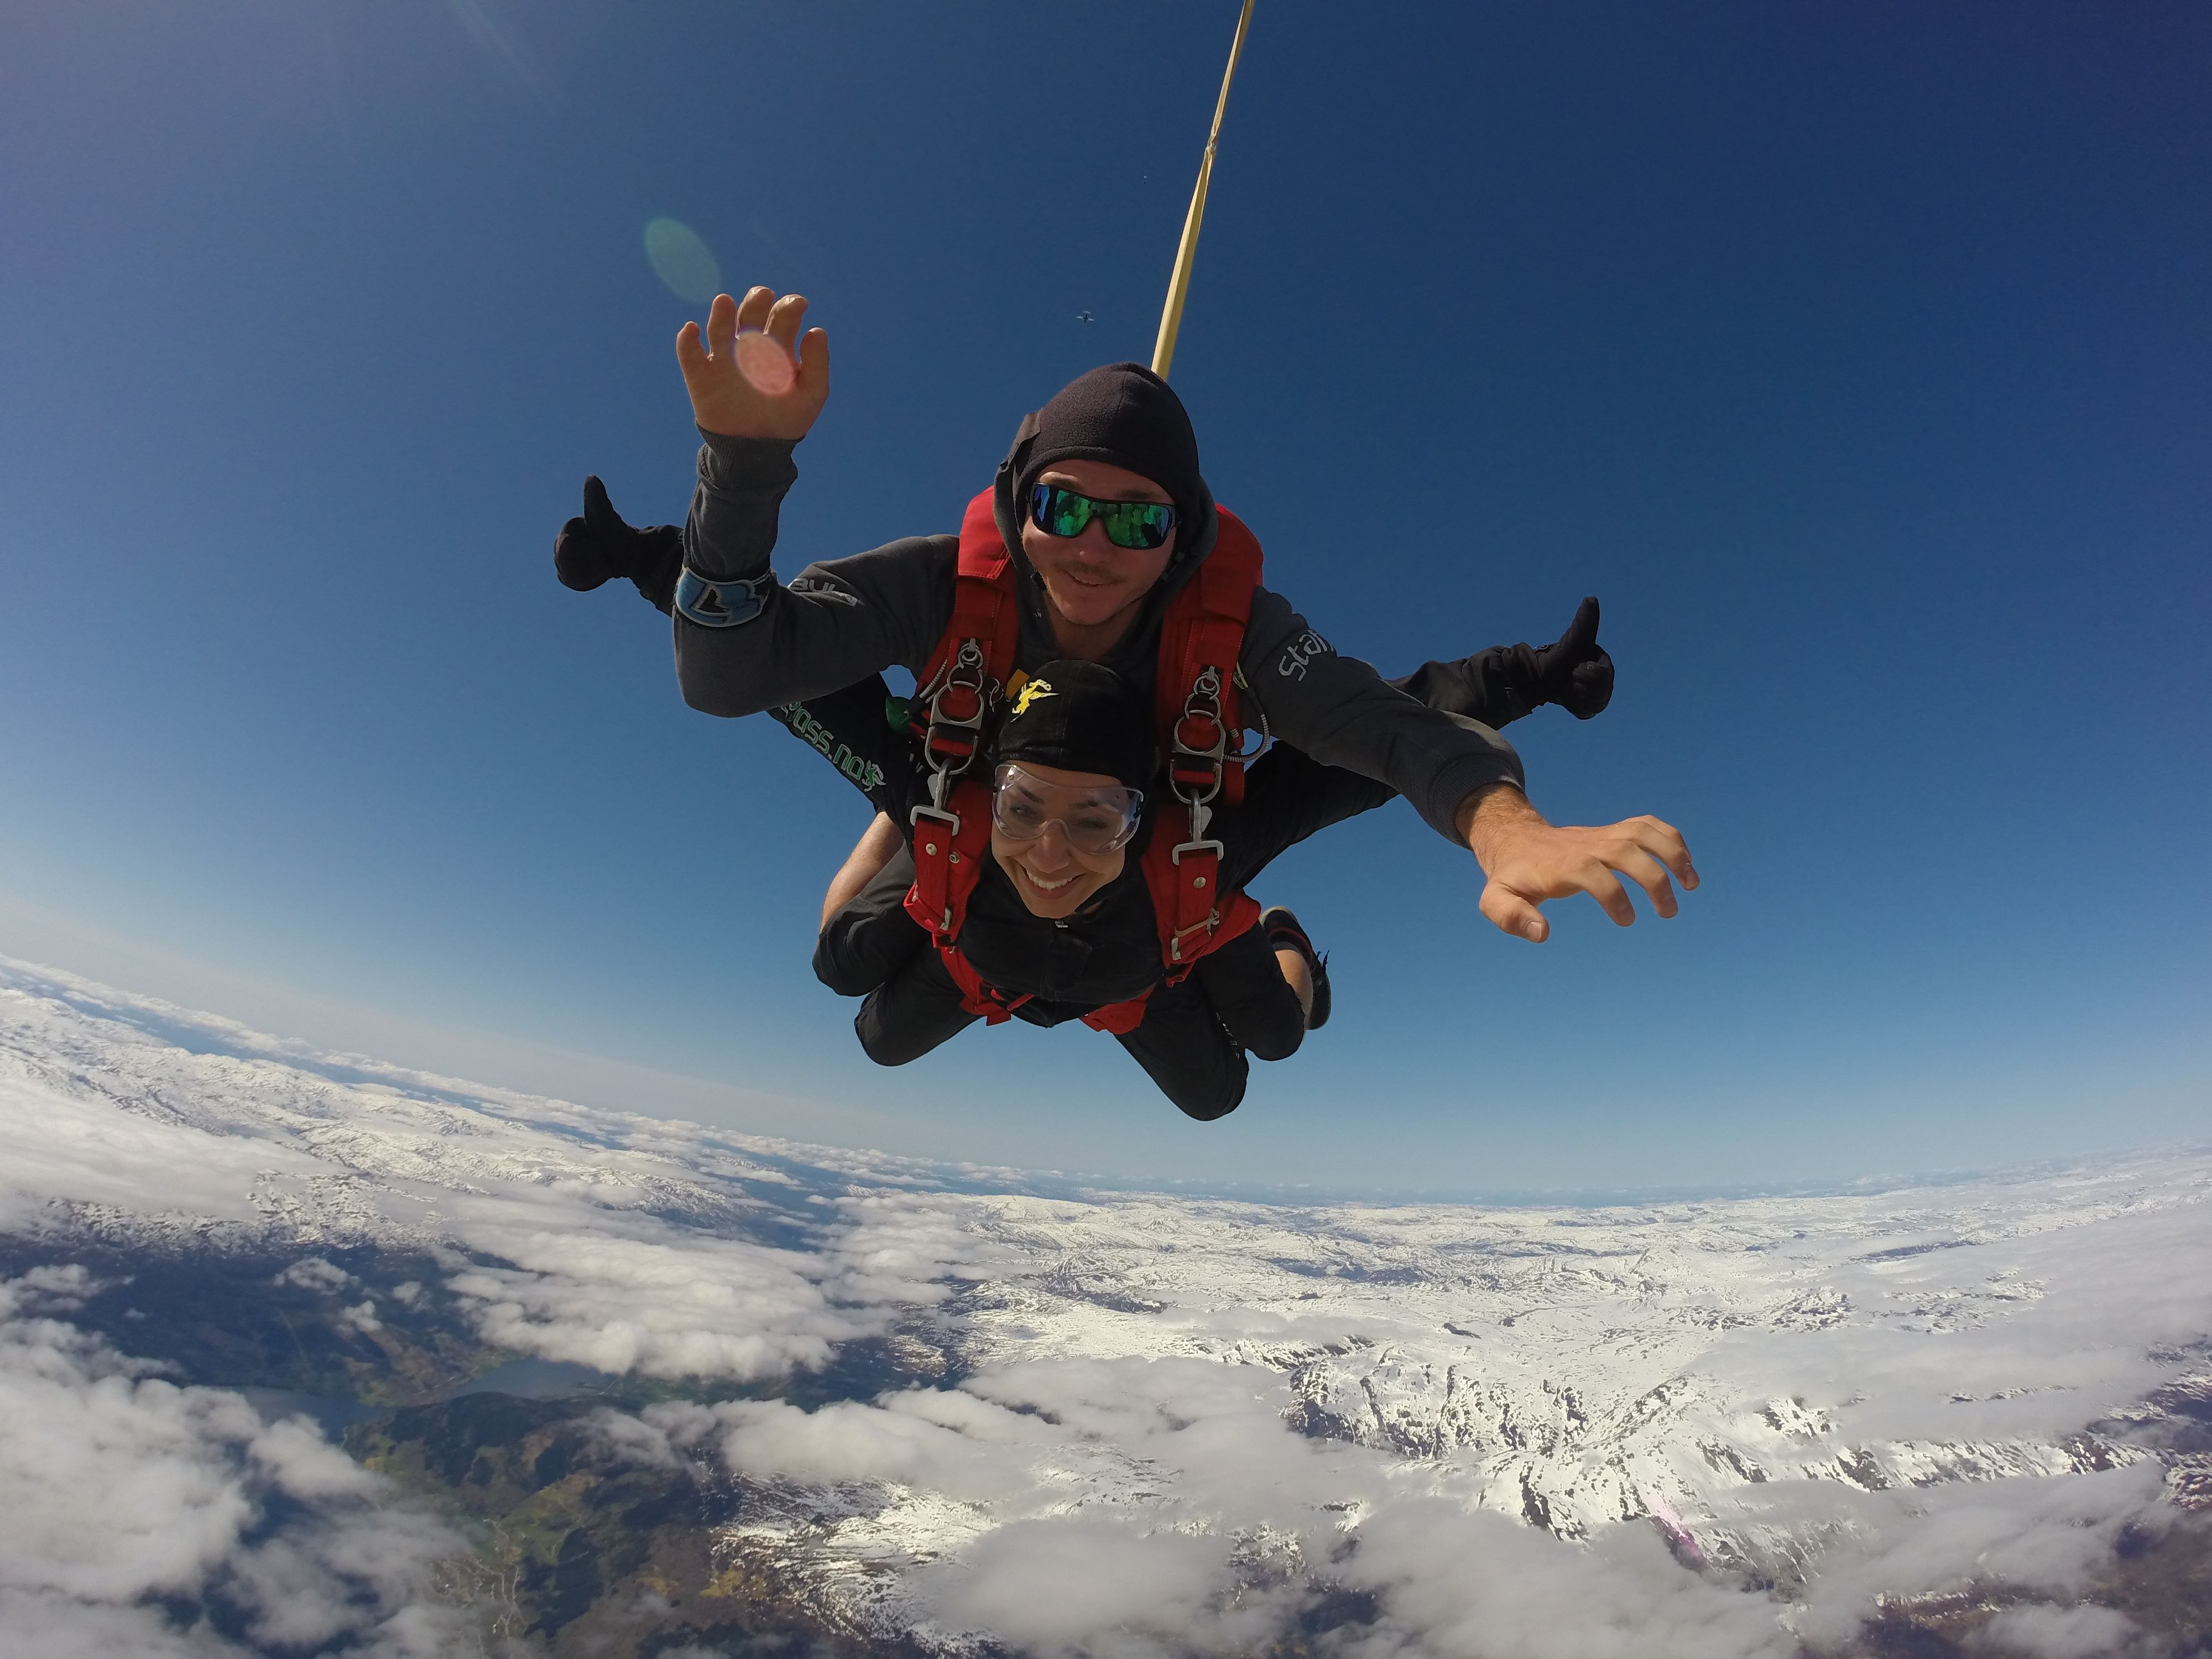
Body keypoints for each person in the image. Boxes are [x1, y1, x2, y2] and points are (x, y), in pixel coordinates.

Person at [556, 285, 1697, 954]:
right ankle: (898, 826)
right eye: (1061, 507)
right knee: (852, 972)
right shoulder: (942, 582)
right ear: (1016, 505)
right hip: (967, 789)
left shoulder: (1232, 626)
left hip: (1152, 822)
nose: (1094, 549)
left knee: (1208, 1066)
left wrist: (1506, 819)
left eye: (1138, 524)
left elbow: (1381, 725)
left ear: (1184, 538)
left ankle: (1258, 946)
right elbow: (738, 667)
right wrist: (738, 472)